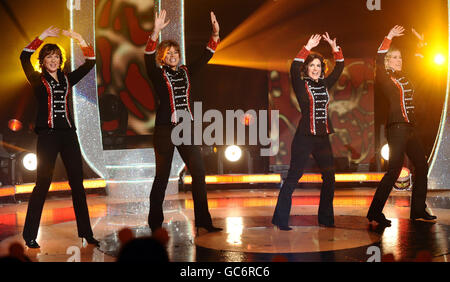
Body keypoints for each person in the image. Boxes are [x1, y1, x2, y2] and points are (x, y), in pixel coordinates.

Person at [20, 26, 99, 248]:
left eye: (56, 56)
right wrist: (42, 37)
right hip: (47, 136)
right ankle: (30, 235)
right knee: (42, 184)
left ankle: (86, 233)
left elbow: (91, 62)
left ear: (60, 60)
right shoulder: (37, 80)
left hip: (68, 136)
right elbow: (24, 56)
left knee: (78, 184)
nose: (53, 60)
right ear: (43, 61)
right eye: (48, 57)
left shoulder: (66, 79)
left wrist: (80, 38)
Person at [144, 10, 222, 234]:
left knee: (199, 173)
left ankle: (203, 221)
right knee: (162, 177)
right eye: (168, 53)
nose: (173, 55)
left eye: (176, 52)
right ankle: (155, 224)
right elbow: (147, 60)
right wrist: (156, 32)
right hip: (164, 130)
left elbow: (206, 55)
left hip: (186, 129)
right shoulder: (158, 74)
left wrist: (215, 34)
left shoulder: (187, 71)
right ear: (162, 57)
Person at [272, 33, 345, 230]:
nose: (315, 69)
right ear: (307, 68)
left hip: (322, 138)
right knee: (294, 176)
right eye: (312, 65)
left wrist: (334, 49)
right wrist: (306, 47)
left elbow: (339, 67)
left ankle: (326, 219)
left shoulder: (324, 84)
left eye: (318, 66)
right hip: (305, 137)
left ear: (322, 69)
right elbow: (294, 68)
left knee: (330, 177)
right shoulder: (301, 84)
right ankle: (280, 220)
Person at [366, 25, 437, 226]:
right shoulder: (384, 77)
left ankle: (417, 209)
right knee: (394, 171)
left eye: (400, 57)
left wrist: (422, 45)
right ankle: (375, 212)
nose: (400, 60)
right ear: (388, 61)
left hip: (410, 129)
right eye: (395, 57)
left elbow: (421, 67)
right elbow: (379, 59)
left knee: (422, 166)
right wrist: (388, 37)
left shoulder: (404, 78)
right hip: (396, 129)